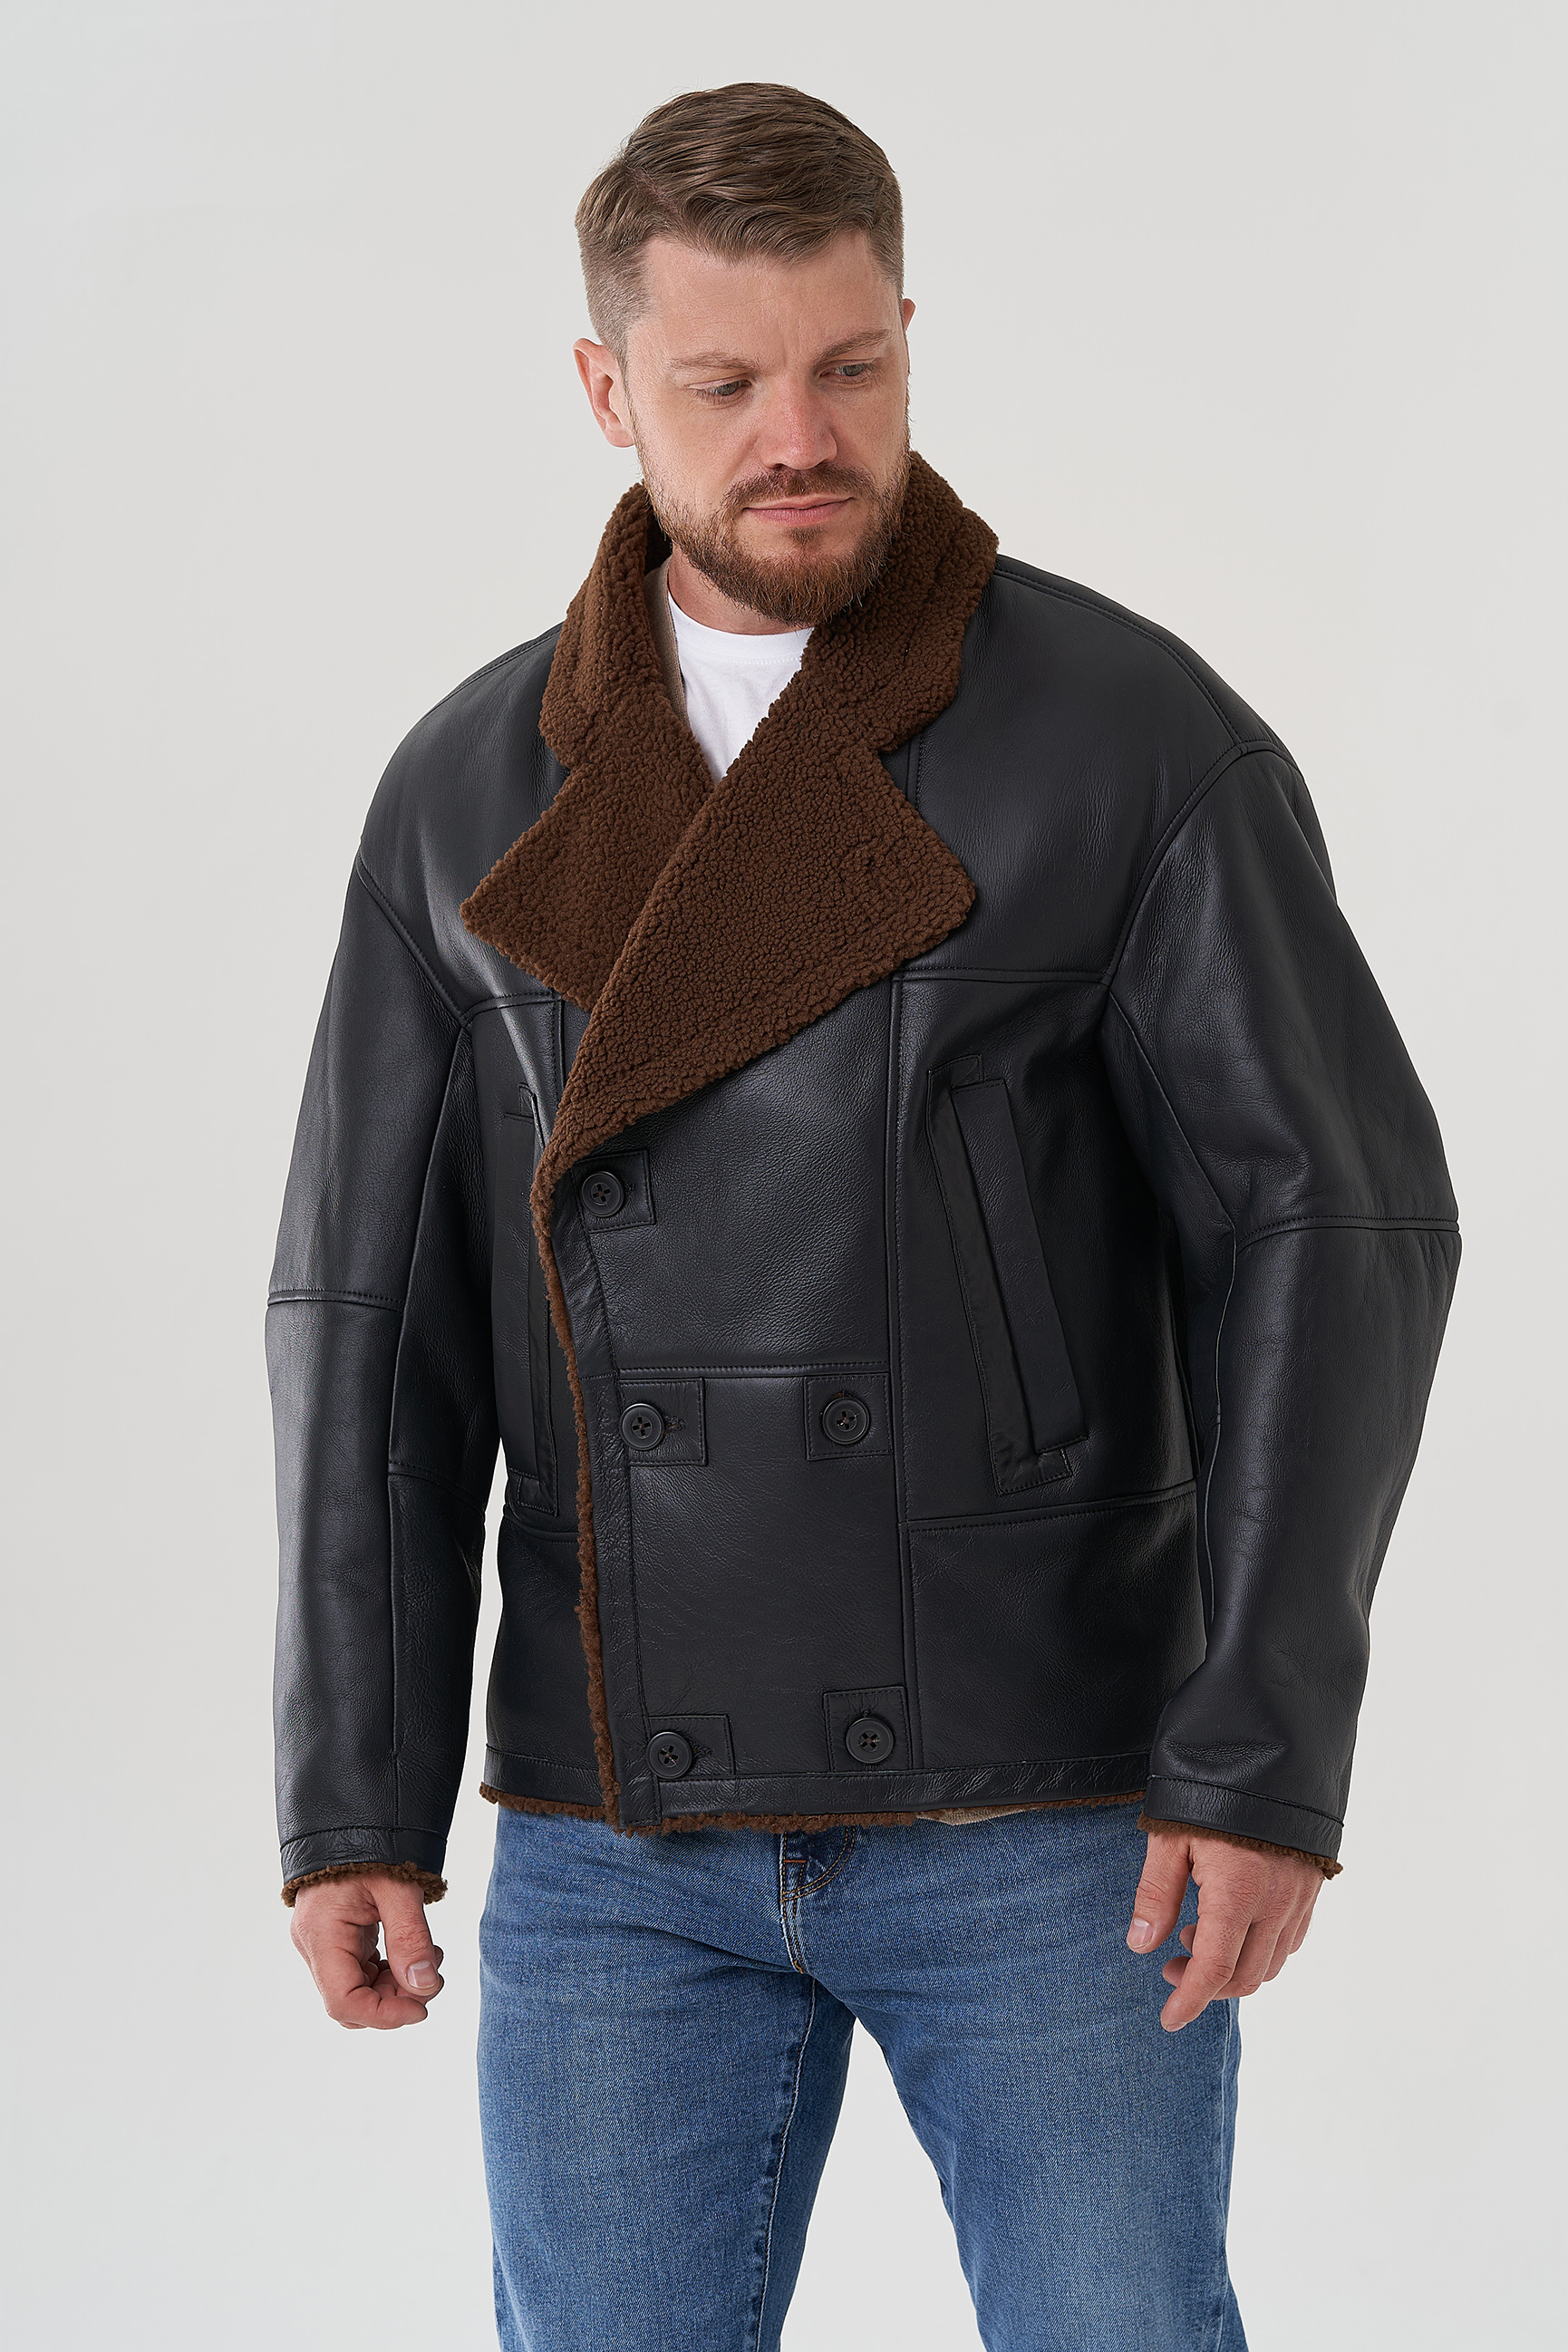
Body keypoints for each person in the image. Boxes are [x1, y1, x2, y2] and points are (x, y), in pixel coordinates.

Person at [269, 82, 1459, 2352]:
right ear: (607, 387)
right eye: (723, 383)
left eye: (851, 366)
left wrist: (1260, 1750)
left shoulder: (1126, 733)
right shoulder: (465, 785)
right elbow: (367, 1316)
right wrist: (356, 1792)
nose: (799, 437)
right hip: (615, 1826)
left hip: (1049, 1795)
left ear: (908, 334)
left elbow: (1343, 1230)